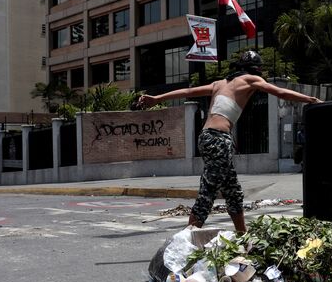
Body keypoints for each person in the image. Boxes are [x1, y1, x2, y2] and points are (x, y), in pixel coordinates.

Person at [138, 50, 322, 232]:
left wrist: (157, 98)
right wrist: (310, 99)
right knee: (208, 192)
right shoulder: (252, 80)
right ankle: (186, 239)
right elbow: (280, 92)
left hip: (206, 138)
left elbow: (188, 91)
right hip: (218, 140)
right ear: (256, 70)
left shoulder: (219, 84)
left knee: (233, 192)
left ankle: (242, 235)